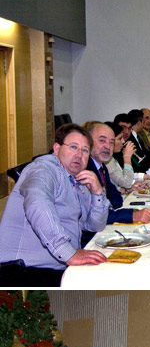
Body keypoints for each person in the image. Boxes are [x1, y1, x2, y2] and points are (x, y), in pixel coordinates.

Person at [0, 123, 109, 287]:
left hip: (55, 267)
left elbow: (95, 225)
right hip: (23, 274)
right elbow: (37, 203)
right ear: (57, 148)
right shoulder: (43, 169)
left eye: (85, 150)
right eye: (73, 147)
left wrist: (98, 193)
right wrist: (68, 253)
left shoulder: (76, 179)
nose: (79, 155)